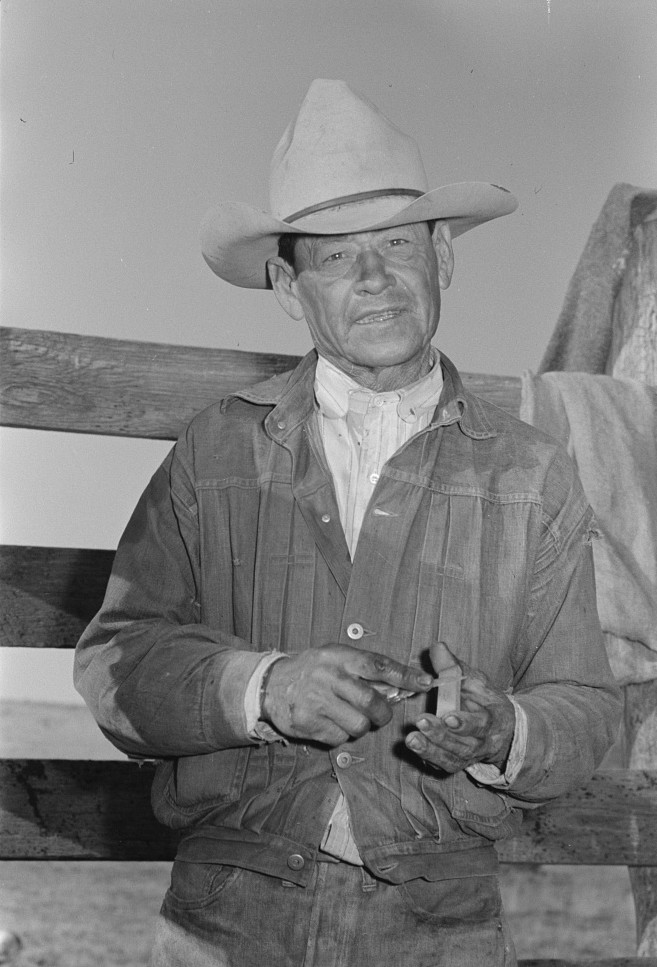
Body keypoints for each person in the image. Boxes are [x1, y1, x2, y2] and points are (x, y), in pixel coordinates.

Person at [74, 79, 622, 967]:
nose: (373, 279)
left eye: (397, 244)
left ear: (442, 255)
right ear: (289, 287)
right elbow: (117, 660)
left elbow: (588, 707)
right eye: (334, 257)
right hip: (228, 911)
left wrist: (500, 731)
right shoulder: (214, 450)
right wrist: (259, 686)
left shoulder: (534, 473)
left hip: (441, 920)